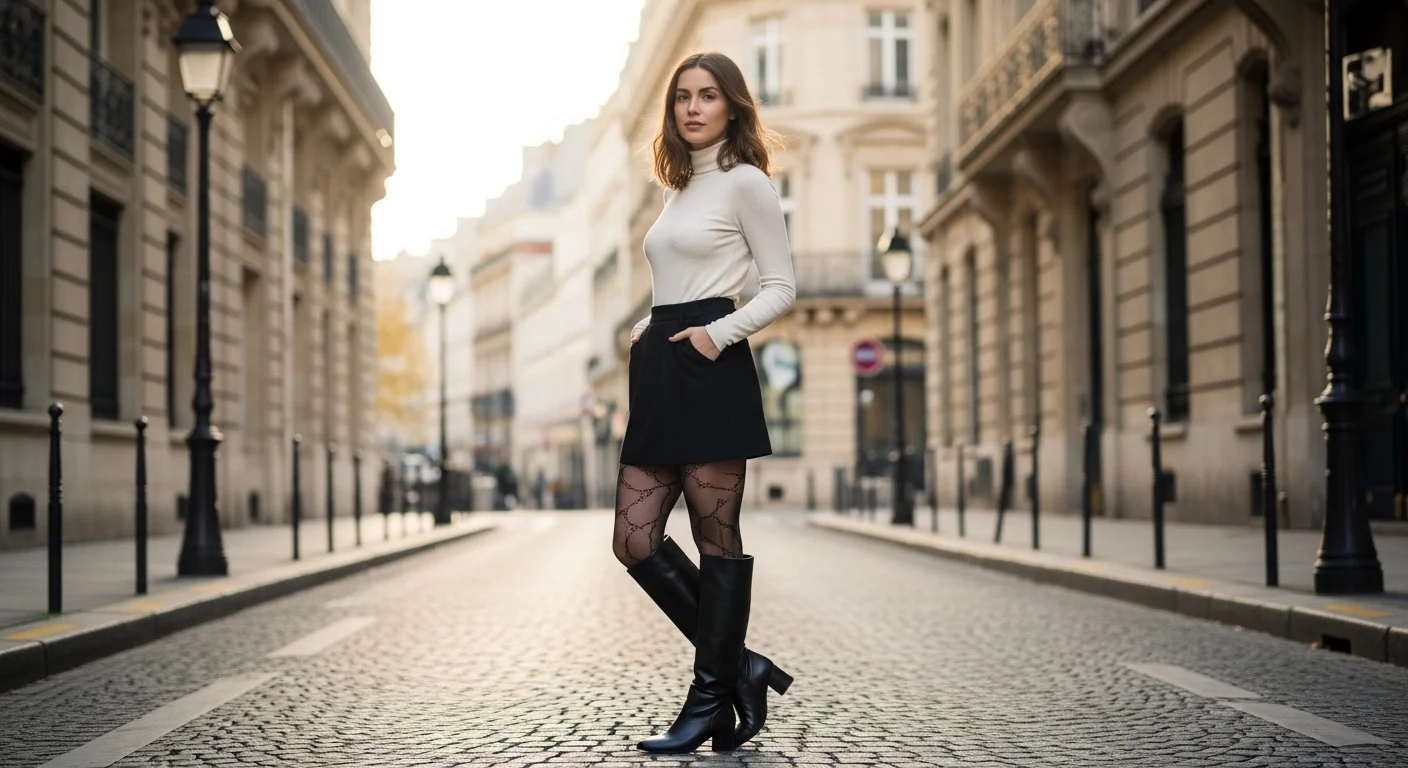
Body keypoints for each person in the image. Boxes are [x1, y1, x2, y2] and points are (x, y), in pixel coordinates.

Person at [610, 51, 797, 755]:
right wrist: (646, 325)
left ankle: (711, 693)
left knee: (716, 540)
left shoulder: (747, 182)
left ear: (732, 106)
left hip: (710, 363)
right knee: (633, 540)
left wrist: (718, 335)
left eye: (708, 96)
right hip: (661, 362)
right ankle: (741, 667)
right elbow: (680, 272)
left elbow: (780, 285)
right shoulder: (677, 187)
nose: (692, 107)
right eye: (683, 96)